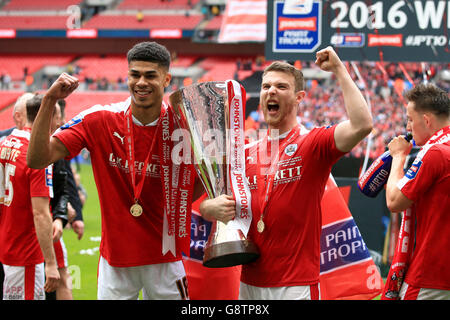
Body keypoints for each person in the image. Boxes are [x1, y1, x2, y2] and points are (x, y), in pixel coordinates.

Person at [27, 41, 202, 300]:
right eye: (135, 74)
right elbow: (38, 159)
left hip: (166, 259)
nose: (141, 82)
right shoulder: (100, 119)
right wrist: (50, 100)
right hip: (115, 262)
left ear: (166, 79)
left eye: (150, 75)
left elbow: (201, 183)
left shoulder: (185, 127)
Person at [199, 46, 373, 300]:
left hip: (295, 285)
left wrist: (338, 69)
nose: (271, 90)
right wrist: (209, 208)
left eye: (281, 86)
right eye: (267, 86)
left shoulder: (313, 143)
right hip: (249, 282)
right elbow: (214, 203)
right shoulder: (244, 153)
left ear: (299, 97)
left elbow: (362, 125)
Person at [385, 83, 450, 300]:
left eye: (410, 119)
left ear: (427, 120)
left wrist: (398, 158)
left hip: (431, 275)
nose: (408, 126)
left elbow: (395, 201)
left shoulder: (435, 152)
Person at [0, 94, 61, 300]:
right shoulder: (37, 155)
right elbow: (40, 213)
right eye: (57, 117)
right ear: (46, 117)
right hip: (25, 252)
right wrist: (51, 263)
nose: (60, 123)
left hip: (8, 243)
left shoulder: (5, 143)